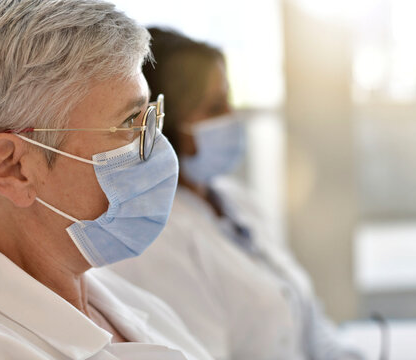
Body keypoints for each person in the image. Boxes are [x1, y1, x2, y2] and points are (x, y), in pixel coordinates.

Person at [0, 3, 213, 360]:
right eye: (128, 123)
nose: (156, 147)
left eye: (149, 117)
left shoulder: (125, 302)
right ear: (12, 168)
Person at [110, 27, 364, 360]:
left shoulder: (235, 200)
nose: (233, 118)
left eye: (229, 101)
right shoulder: (152, 240)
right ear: (163, 124)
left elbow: (307, 320)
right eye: (215, 108)